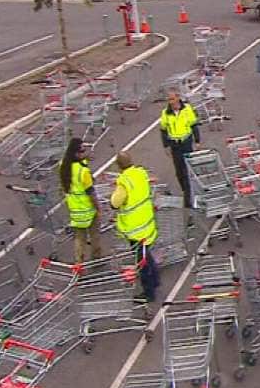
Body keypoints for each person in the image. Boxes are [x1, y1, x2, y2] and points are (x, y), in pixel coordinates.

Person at [110, 151, 160, 303]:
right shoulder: (140, 173)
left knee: (142, 262)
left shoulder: (124, 181)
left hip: (135, 228)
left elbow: (115, 202)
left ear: (118, 166)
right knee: (147, 255)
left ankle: (149, 293)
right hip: (147, 222)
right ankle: (156, 280)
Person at [58, 137, 102, 264]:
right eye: (82, 152)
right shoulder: (83, 172)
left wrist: (84, 159)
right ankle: (97, 257)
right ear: (76, 153)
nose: (84, 153)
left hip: (75, 210)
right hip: (88, 210)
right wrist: (98, 208)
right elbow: (90, 192)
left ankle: (78, 263)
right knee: (94, 235)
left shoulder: (63, 166)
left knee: (79, 238)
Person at [160, 90, 200, 208]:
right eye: (169, 99)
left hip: (186, 143)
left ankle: (188, 198)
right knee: (179, 172)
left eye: (172, 99)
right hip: (175, 145)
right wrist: (166, 145)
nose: (170, 102)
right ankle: (185, 190)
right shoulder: (165, 113)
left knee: (188, 171)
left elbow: (193, 125)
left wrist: (197, 141)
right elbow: (163, 130)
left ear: (178, 98)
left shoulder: (187, 109)